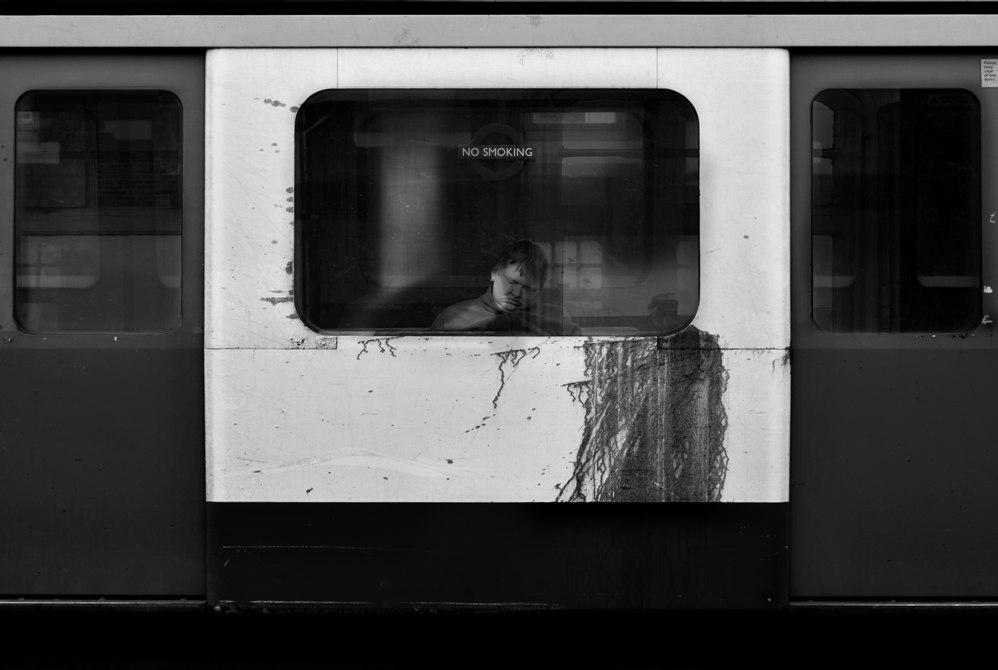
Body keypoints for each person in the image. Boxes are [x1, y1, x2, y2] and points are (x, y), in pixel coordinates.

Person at [431, 239, 581, 335]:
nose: (517, 293)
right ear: (495, 273)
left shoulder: (555, 318)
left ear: (540, 290)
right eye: (512, 282)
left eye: (528, 289)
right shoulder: (453, 319)